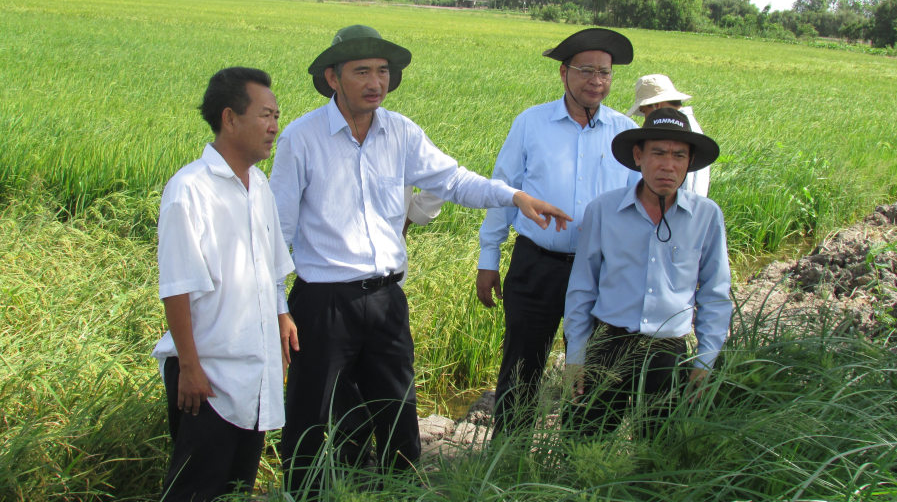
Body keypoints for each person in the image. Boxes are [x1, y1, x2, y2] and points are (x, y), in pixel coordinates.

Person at [269, 25, 571, 489]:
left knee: (397, 415)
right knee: (311, 418)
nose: (376, 82)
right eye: (362, 71)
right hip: (323, 302)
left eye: (383, 71)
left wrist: (514, 197)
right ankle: (302, 494)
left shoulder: (401, 132)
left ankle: (399, 492)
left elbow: (452, 180)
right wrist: (278, 306)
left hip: (387, 299)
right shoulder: (301, 138)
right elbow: (277, 230)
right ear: (333, 78)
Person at [476, 28, 640, 436]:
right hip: (537, 265)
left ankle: (577, 461)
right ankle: (508, 460)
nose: (596, 81)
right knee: (521, 367)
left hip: (603, 273)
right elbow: (504, 190)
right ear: (564, 73)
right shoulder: (531, 124)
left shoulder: (624, 134)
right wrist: (488, 258)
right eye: (586, 71)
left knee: (593, 371)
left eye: (605, 73)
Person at [151, 67, 296, 501]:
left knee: (236, 490)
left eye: (277, 116)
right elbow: (176, 287)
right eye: (265, 115)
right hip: (207, 378)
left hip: (253, 374)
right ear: (230, 118)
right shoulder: (190, 190)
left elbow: (270, 269)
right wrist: (191, 368)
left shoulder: (260, 186)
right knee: (195, 491)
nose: (274, 127)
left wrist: (282, 316)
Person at [564, 107, 732, 437]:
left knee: (655, 453)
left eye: (678, 156)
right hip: (607, 345)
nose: (668, 165)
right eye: (658, 153)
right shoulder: (604, 210)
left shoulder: (706, 217)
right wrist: (576, 355)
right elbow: (582, 288)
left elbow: (714, 295)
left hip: (667, 351)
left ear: (690, 163)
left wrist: (705, 360)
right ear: (638, 156)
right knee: (583, 442)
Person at [626, 74, 710, 197]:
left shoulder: (683, 131)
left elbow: (687, 186)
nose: (645, 119)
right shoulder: (689, 125)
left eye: (645, 111)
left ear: (657, 105)